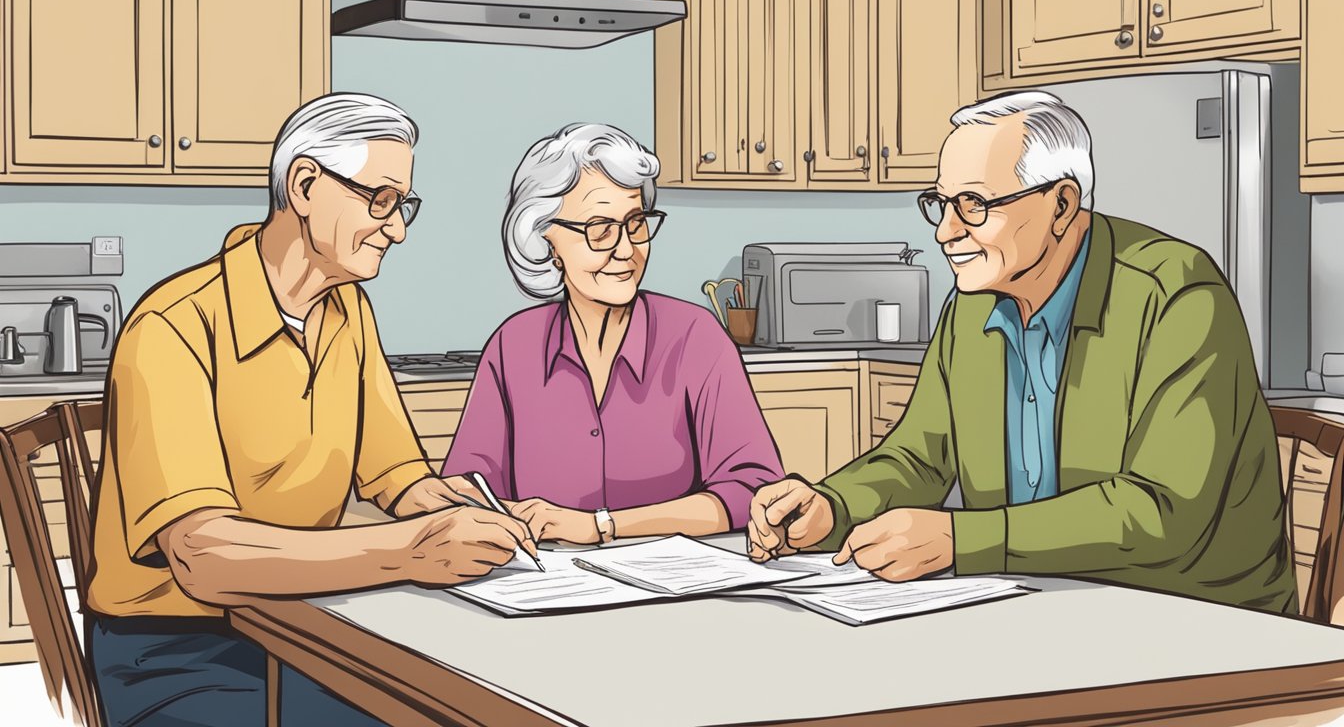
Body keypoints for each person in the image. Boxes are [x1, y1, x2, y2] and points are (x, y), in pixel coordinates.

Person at [746, 91, 1296, 613]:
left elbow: (1160, 513)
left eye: (974, 205)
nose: (945, 232)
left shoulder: (1176, 293)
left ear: (1061, 204)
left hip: (1197, 622)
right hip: (1030, 605)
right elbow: (918, 458)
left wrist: (961, 539)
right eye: (939, 204)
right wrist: (831, 506)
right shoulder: (972, 306)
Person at [84, 93, 536, 726]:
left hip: (307, 623)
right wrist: (410, 551)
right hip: (175, 650)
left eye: (403, 205)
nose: (398, 228)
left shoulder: (347, 311)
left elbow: (396, 478)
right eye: (380, 200)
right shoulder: (172, 325)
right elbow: (201, 558)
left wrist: (456, 509)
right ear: (304, 184)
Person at [441, 122, 784, 544]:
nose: (626, 250)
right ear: (545, 239)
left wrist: (602, 526)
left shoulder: (696, 337)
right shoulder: (513, 346)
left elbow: (753, 491)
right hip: (546, 588)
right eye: (599, 229)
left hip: (676, 590)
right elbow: (466, 490)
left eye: (636, 223)